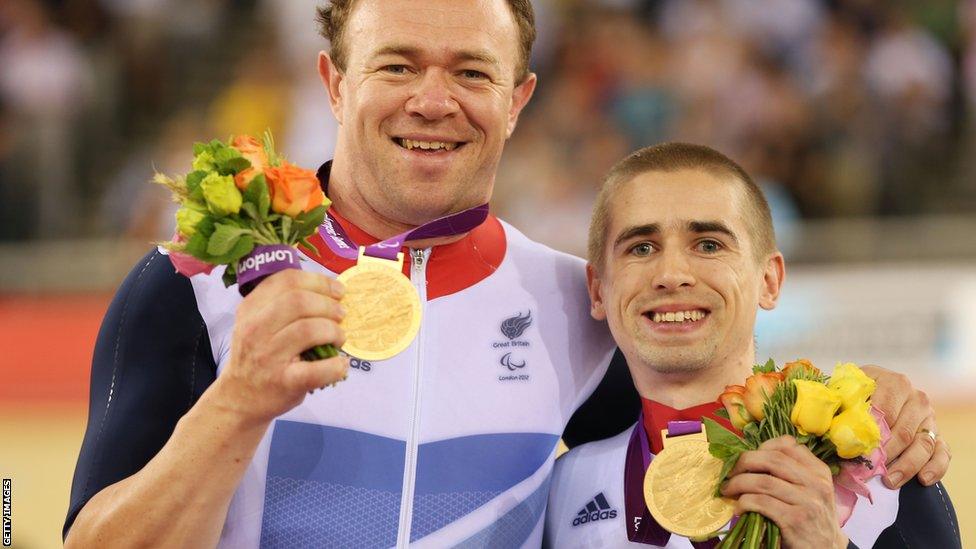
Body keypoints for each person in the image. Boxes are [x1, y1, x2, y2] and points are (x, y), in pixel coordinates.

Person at [64, 2, 948, 547]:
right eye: (398, 64)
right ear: (334, 83)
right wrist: (237, 402)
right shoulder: (194, 284)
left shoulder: (573, 303)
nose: (433, 100)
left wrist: (873, 399)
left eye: (471, 72)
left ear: (518, 99)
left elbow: (714, 384)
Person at [544, 143, 959, 549]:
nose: (671, 274)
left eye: (708, 244)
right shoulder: (560, 492)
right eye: (642, 248)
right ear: (598, 290)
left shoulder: (884, 473)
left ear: (769, 279)